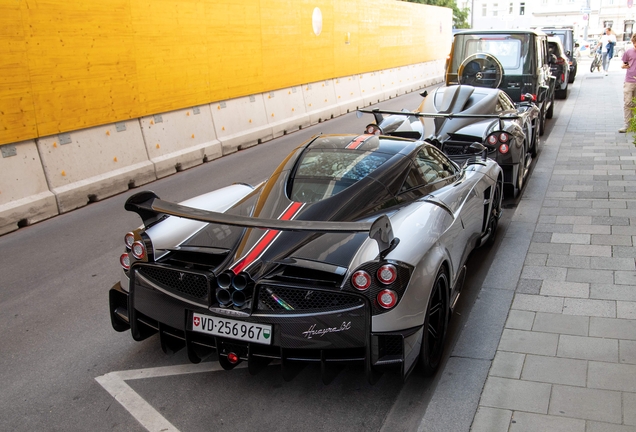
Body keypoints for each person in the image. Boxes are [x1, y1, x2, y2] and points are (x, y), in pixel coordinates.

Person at [620, 33, 636, 133]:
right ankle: (627, 125)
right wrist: (624, 66)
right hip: (630, 80)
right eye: (634, 43)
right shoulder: (629, 52)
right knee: (628, 103)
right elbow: (624, 63)